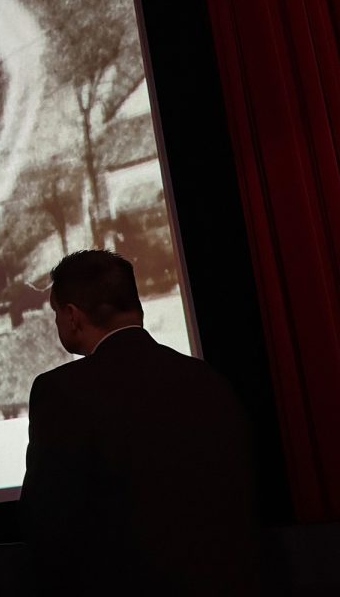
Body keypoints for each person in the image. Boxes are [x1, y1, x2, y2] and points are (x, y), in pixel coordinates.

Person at [21, 249, 261, 596]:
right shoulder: (208, 379)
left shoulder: (60, 392)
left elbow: (47, 521)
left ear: (72, 317)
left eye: (56, 313)